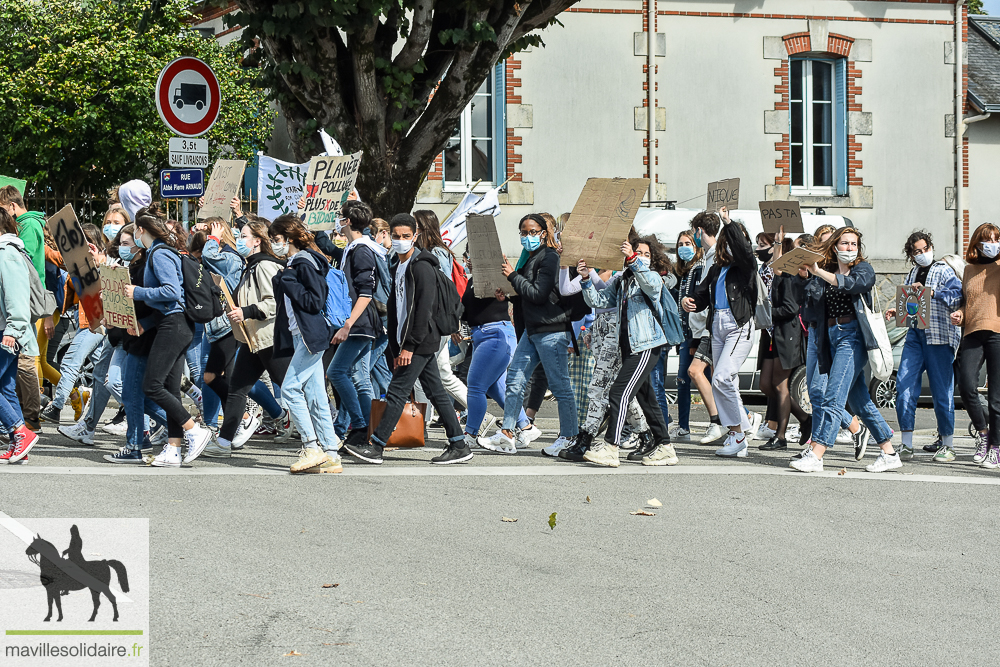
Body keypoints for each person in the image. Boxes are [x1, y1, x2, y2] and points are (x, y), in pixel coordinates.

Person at [344, 213, 471, 465]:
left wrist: (409, 346)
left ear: (415, 236)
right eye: (396, 236)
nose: (400, 240)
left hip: (420, 340)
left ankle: (377, 445)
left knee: (397, 391)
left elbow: (422, 310)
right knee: (436, 392)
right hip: (409, 341)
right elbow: (397, 309)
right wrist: (396, 347)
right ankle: (459, 444)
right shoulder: (399, 266)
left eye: (406, 236)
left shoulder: (421, 266)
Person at [790, 227, 899, 473]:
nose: (850, 248)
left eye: (854, 244)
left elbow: (855, 284)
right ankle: (889, 453)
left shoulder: (863, 269)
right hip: (830, 336)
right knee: (859, 400)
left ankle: (817, 454)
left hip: (853, 337)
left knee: (833, 395)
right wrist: (804, 276)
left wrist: (820, 273)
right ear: (835, 247)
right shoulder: (824, 271)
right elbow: (804, 300)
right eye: (845, 244)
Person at [479, 214, 578, 456]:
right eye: (523, 232)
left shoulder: (550, 258)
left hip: (551, 330)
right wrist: (510, 295)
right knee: (515, 380)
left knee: (560, 385)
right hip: (533, 330)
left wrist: (513, 276)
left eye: (533, 231)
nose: (528, 236)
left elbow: (539, 294)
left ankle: (569, 436)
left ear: (544, 233)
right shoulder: (533, 259)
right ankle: (508, 433)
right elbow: (526, 294)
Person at [577, 236, 676, 467]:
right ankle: (665, 446)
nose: (640, 256)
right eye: (636, 252)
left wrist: (633, 259)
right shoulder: (622, 280)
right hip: (630, 348)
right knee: (647, 399)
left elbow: (651, 285)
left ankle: (611, 448)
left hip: (646, 345)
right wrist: (585, 278)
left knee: (618, 393)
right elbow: (599, 301)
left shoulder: (652, 277)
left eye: (645, 254)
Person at [125, 212, 213, 468]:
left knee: (151, 386)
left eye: (135, 233)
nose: (134, 238)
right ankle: (174, 449)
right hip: (176, 325)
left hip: (173, 326)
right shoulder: (163, 251)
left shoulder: (160, 253)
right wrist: (145, 324)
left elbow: (172, 292)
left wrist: (137, 291)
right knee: (172, 390)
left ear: (141, 230)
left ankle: (193, 430)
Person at [203, 217, 293, 458]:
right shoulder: (250, 266)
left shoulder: (264, 266)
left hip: (268, 339)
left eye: (243, 236)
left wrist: (245, 311)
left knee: (293, 390)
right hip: (252, 339)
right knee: (236, 389)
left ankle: (319, 439)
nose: (238, 239)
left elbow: (273, 303)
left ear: (257, 241)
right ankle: (223, 443)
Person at [268, 215, 343, 474]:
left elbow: (314, 301)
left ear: (289, 239)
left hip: (310, 335)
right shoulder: (298, 262)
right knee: (316, 395)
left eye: (276, 239)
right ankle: (331, 453)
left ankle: (312, 447)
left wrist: (287, 280)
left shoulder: (302, 262)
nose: (273, 244)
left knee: (290, 389)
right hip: (307, 335)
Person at [683, 208, 759, 457]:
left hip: (738, 325)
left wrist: (728, 222)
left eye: (732, 244)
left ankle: (738, 431)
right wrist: (690, 301)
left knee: (722, 377)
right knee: (724, 383)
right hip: (716, 327)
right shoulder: (716, 269)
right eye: (726, 244)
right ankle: (739, 433)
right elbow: (702, 296)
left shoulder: (745, 267)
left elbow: (746, 252)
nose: (729, 249)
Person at [880, 231, 962, 462]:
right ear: (911, 255)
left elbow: (957, 295)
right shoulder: (912, 273)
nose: (923, 253)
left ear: (931, 247)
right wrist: (898, 309)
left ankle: (947, 444)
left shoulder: (944, 270)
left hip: (940, 337)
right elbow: (911, 304)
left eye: (925, 248)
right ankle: (906, 444)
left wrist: (933, 292)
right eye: (917, 251)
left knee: (941, 391)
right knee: (905, 385)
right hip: (915, 335)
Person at [459, 255, 532, 452]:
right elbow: (468, 311)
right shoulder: (472, 280)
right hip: (482, 336)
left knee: (475, 386)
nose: (470, 260)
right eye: (468, 255)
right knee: (495, 387)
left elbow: (513, 292)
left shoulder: (496, 276)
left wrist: (501, 265)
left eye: (475, 254)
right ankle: (525, 426)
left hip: (495, 334)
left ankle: (471, 434)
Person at [327, 200, 383, 449]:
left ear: (348, 221)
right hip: (361, 322)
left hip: (360, 322)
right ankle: (365, 430)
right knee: (359, 378)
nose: (338, 220)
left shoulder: (361, 249)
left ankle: (359, 427)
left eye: (341, 216)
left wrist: (348, 323)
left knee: (336, 372)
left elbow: (366, 292)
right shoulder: (354, 247)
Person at [413, 210, 469, 423]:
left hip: (434, 323)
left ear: (424, 228)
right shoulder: (429, 252)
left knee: (422, 373)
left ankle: (422, 422)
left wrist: (452, 324)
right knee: (444, 374)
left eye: (415, 226)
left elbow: (446, 290)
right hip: (435, 322)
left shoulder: (436, 253)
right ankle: (478, 413)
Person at [952, 223, 1000, 468]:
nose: (992, 244)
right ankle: (983, 434)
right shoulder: (969, 270)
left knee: (996, 397)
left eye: (996, 240)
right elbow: (967, 300)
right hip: (971, 332)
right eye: (987, 240)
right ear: (978, 244)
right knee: (966, 384)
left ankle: (996, 447)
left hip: (997, 333)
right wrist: (960, 312)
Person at [758, 232, 810, 450]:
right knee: (766, 385)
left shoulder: (788, 276)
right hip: (771, 334)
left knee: (780, 385)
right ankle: (805, 418)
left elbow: (790, 308)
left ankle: (780, 436)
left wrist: (767, 312)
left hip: (786, 334)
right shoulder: (774, 274)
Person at [0, 185, 44, 431]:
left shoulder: (8, 252)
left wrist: (13, 330)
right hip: (9, 327)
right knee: (7, 385)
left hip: (9, 328)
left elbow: (17, 293)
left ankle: (19, 429)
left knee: (28, 367)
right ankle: (20, 436)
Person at [672, 229, 705, 439]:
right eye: (681, 244)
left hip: (696, 335)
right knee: (683, 381)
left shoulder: (700, 270)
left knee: (699, 380)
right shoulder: (683, 272)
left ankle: (739, 418)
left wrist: (694, 339)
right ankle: (683, 426)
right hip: (684, 333)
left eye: (688, 243)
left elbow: (699, 305)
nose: (684, 248)